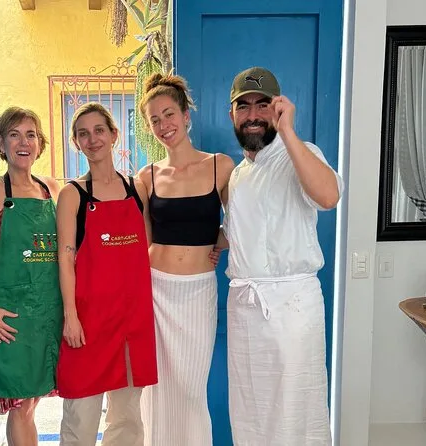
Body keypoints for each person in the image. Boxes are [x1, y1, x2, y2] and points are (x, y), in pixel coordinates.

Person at [222, 66, 343, 446]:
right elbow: (238, 233)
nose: (253, 115)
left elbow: (329, 196)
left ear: (278, 108)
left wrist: (288, 132)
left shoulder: (300, 153)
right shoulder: (238, 175)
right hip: (245, 308)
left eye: (263, 105)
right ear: (232, 114)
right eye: (244, 106)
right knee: (250, 412)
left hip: (291, 308)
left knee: (294, 412)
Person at [136, 74, 234, 446]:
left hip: (197, 293)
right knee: (156, 389)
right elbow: (141, 240)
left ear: (186, 115)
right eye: (154, 120)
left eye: (169, 114)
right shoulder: (146, 177)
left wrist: (219, 242)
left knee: (191, 391)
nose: (164, 125)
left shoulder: (220, 166)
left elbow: (242, 223)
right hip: (155, 292)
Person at [0, 106, 63, 446]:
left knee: (31, 404)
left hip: (48, 315)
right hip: (10, 318)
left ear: (40, 143)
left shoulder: (51, 189)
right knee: (21, 405)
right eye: (14, 135)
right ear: (1, 143)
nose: (23, 142)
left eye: (31, 135)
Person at [55, 102, 158, 446]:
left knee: (127, 419)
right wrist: (71, 317)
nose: (93, 139)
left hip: (131, 323)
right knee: (80, 419)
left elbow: (147, 246)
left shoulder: (136, 189)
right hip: (88, 322)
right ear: (76, 142)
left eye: (99, 130)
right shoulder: (72, 195)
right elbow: (64, 259)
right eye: (83, 134)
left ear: (114, 135)